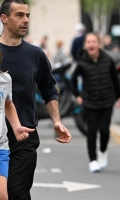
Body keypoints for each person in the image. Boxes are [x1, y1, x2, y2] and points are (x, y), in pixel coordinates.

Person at [0, 1, 72, 199]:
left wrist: (56, 120)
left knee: (18, 193)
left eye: (28, 15)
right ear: (4, 18)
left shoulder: (35, 54)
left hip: (24, 135)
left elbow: (49, 89)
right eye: (19, 15)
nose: (26, 20)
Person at [71, 32, 120, 173]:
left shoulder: (108, 59)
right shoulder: (82, 62)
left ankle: (103, 152)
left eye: (94, 42)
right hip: (89, 101)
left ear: (99, 44)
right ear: (85, 45)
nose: (91, 44)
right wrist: (77, 95)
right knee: (91, 132)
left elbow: (115, 78)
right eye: (89, 42)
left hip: (107, 100)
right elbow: (73, 79)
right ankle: (93, 160)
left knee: (105, 131)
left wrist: (119, 96)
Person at [0, 51, 35, 200]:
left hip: (1, 145)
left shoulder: (5, 79)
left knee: (3, 195)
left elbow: (8, 103)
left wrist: (16, 127)